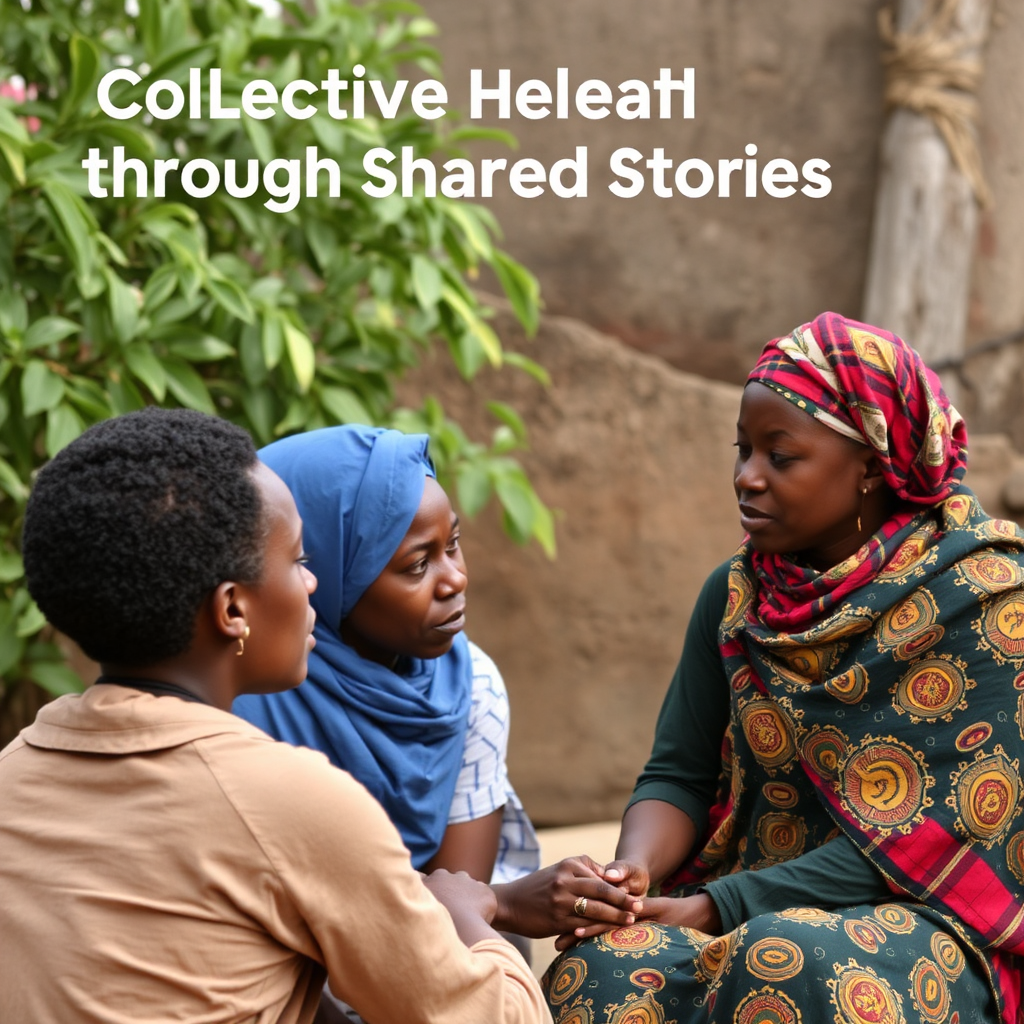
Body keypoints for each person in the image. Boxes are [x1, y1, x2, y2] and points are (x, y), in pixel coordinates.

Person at [542, 312, 1024, 1024]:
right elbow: (678, 772)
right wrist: (631, 878)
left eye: (780, 456)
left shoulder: (986, 600)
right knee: (603, 969)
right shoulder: (735, 596)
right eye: (742, 451)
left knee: (783, 959)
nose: (747, 478)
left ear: (870, 465)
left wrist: (716, 907)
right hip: (739, 896)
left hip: (929, 914)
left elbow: (936, 837)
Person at [0, 408, 549, 1024]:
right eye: (299, 560)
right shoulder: (295, 800)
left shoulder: (10, 775)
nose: (316, 586)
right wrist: (470, 913)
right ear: (233, 609)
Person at [233, 425, 540, 893]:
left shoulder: (468, 684)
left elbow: (460, 906)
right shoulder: (241, 703)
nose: (454, 580)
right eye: (418, 565)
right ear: (325, 574)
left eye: (452, 544)